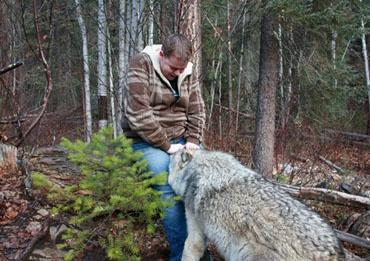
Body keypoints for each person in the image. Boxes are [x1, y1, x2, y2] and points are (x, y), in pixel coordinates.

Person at [122, 34, 206, 261]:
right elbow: (137, 114)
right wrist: (168, 147)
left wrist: (193, 142)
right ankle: (182, 256)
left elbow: (197, 110)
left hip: (182, 139)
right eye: (173, 68)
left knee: (204, 180)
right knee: (166, 178)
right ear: (162, 55)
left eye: (182, 69)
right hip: (146, 141)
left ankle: (201, 254)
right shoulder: (140, 63)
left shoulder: (187, 70)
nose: (178, 73)